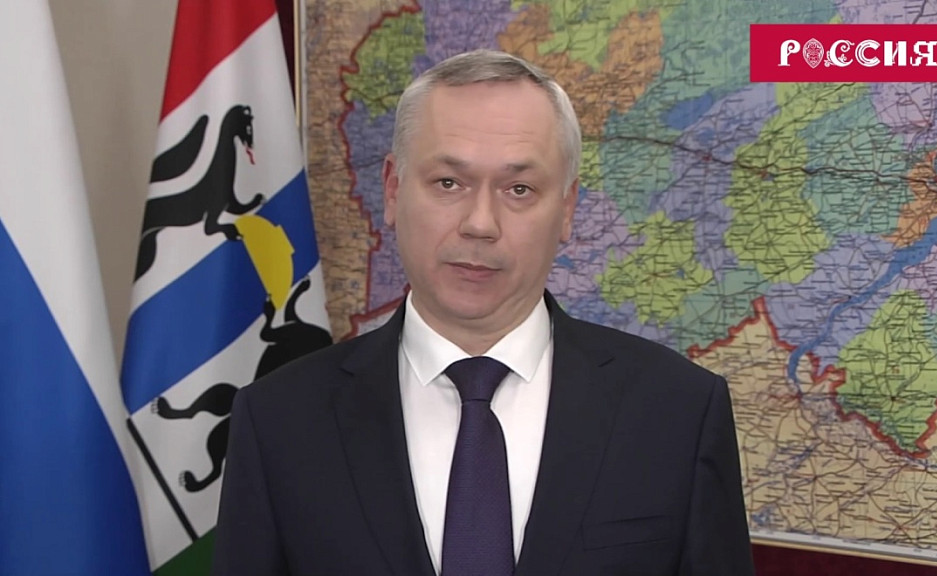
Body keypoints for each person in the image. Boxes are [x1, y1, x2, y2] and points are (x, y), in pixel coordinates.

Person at [212, 49, 755, 576]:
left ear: (567, 208)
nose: (480, 223)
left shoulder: (680, 411)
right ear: (394, 190)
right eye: (448, 183)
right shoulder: (278, 419)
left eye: (519, 189)